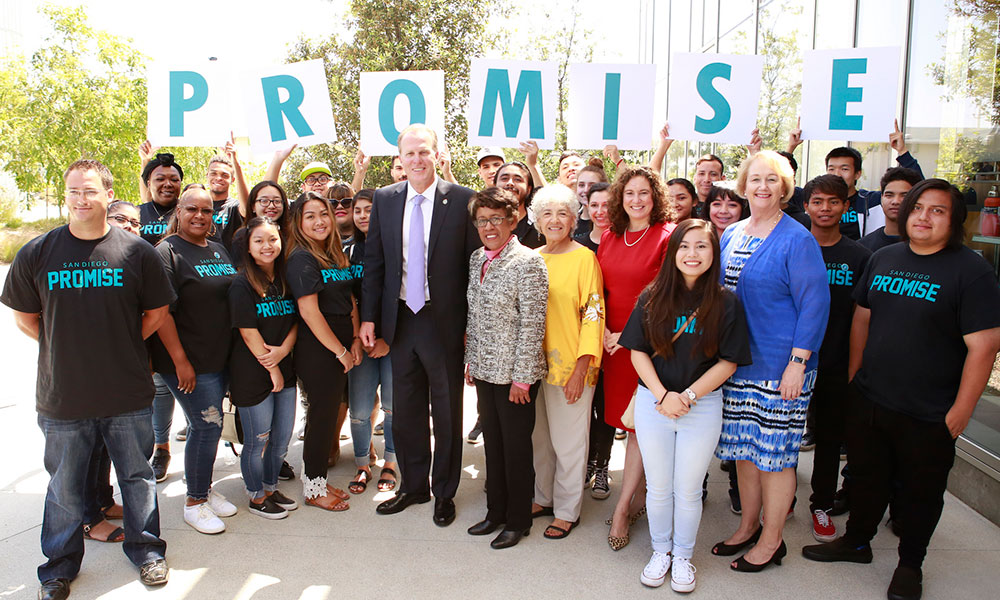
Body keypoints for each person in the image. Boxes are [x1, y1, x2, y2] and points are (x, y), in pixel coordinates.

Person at [803, 179, 1000, 600]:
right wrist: (856, 377)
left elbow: (984, 346)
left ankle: (911, 564)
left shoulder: (972, 271)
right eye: (918, 208)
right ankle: (857, 542)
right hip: (871, 398)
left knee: (920, 493)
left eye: (937, 211)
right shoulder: (885, 257)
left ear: (954, 220)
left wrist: (961, 412)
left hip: (930, 410)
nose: (924, 217)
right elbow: (862, 318)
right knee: (866, 479)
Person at [2, 159, 174, 598]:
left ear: (107, 194)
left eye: (90, 191)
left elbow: (156, 313)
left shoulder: (137, 253)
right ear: (67, 195)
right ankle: (58, 567)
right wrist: (65, 345)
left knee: (137, 477)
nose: (81, 199)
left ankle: (147, 551)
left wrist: (118, 342)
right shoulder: (38, 252)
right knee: (64, 487)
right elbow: (25, 316)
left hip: (128, 392)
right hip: (64, 395)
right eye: (74, 191)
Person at [711, 150, 829, 572]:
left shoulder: (797, 239)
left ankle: (773, 539)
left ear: (785, 187)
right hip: (739, 365)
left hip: (782, 370)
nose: (763, 187)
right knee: (744, 452)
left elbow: (815, 303)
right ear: (743, 185)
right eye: (756, 179)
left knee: (775, 458)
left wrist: (798, 362)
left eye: (772, 180)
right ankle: (747, 527)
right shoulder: (732, 233)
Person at [621, 219, 751, 592]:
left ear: (714, 253)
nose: (692, 254)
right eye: (684, 246)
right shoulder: (652, 296)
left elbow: (729, 361)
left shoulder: (726, 302)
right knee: (660, 487)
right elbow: (637, 352)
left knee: (689, 488)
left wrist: (688, 397)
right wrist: (663, 395)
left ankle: (682, 557)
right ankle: (660, 551)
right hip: (654, 404)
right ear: (673, 252)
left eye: (702, 247)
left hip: (702, 407)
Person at [361, 123, 479, 527]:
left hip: (443, 321)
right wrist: (369, 319)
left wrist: (471, 327)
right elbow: (375, 263)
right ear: (400, 158)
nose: (416, 160)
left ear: (436, 154)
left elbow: (472, 269)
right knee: (406, 410)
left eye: (423, 152)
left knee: (446, 411)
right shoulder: (385, 198)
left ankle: (444, 491)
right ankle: (414, 486)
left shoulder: (462, 200)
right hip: (400, 319)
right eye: (409, 154)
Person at [150, 186, 239, 535]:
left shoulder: (217, 249)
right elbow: (162, 314)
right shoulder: (166, 253)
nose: (200, 216)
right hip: (187, 362)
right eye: (192, 209)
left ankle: (204, 488)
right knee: (205, 426)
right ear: (179, 212)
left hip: (218, 356)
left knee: (212, 429)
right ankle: (194, 503)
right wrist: (180, 360)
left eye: (206, 210)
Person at [464, 187, 549, 549]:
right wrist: (471, 361)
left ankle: (517, 521)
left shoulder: (528, 261)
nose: (489, 226)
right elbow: (475, 314)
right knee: (493, 447)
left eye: (497, 218)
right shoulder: (475, 259)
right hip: (484, 370)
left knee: (516, 450)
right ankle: (495, 512)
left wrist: (523, 379)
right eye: (482, 220)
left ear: (513, 220)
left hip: (516, 376)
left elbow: (533, 324)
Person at [598, 166, 676, 551]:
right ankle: (640, 493)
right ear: (620, 197)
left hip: (646, 346)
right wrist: (603, 334)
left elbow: (664, 295)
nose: (636, 200)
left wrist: (627, 337)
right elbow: (600, 292)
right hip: (610, 345)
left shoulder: (666, 237)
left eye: (644, 192)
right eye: (629, 193)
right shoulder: (610, 237)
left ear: (655, 196)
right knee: (627, 425)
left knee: (639, 428)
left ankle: (623, 507)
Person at [529, 185, 605, 540]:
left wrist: (582, 368)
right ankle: (543, 497)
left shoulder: (584, 258)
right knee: (540, 438)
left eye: (562, 213)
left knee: (569, 441)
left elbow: (594, 314)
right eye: (547, 213)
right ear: (537, 220)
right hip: (532, 366)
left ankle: (566, 509)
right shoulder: (532, 257)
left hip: (571, 366)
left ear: (574, 219)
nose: (555, 220)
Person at [801, 174, 871, 543]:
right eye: (817, 201)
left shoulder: (859, 257)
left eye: (833, 202)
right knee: (783, 435)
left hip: (836, 363)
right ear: (807, 205)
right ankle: (769, 501)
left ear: (846, 206)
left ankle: (821, 505)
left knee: (829, 439)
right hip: (791, 364)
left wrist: (853, 369)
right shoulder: (794, 246)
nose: (825, 209)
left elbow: (864, 315)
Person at [286, 192, 361, 511]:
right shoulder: (301, 257)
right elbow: (309, 312)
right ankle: (313, 488)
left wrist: (356, 339)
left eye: (324, 214)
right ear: (299, 223)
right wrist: (341, 351)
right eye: (310, 216)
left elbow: (350, 300)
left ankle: (318, 479)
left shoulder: (336, 254)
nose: (319, 221)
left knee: (329, 414)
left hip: (343, 346)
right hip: (319, 351)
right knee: (321, 416)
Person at [79, 200, 144, 546]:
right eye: (122, 219)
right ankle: (88, 518)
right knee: (87, 449)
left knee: (105, 447)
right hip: (84, 374)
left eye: (136, 222)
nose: (130, 227)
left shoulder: (132, 259)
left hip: (121, 371)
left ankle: (103, 500)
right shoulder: (86, 256)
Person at [228, 217, 300, 519]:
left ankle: (270, 487)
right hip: (252, 373)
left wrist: (283, 351)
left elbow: (296, 319)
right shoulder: (241, 283)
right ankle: (256, 496)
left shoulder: (285, 279)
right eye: (258, 240)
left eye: (272, 239)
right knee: (258, 440)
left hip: (285, 366)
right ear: (248, 246)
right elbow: (247, 331)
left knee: (282, 438)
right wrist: (272, 367)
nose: (266, 246)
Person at [345, 188, 399, 493]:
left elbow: (405, 299)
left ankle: (390, 462)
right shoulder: (346, 251)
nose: (364, 215)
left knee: (392, 408)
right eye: (358, 210)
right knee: (360, 410)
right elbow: (345, 299)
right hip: (359, 344)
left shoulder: (397, 249)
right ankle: (363, 464)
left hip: (391, 342)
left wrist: (387, 340)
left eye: (370, 209)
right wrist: (358, 338)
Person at [818, 120, 923, 240]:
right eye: (831, 169)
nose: (837, 175)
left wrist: (902, 151)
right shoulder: (814, 199)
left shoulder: (872, 201)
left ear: (858, 174)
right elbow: (790, 192)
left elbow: (920, 189)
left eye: (844, 169)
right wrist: (791, 148)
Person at [859, 167, 922, 253]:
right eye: (889, 195)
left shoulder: (927, 245)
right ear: (881, 198)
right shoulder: (863, 247)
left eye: (904, 196)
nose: (895, 201)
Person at [495, 161, 542, 250]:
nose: (510, 183)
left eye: (517, 179)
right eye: (504, 178)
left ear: (529, 189)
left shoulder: (540, 226)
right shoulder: (483, 224)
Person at [138, 152, 182, 246]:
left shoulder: (190, 213)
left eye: (174, 180)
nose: (168, 184)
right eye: (160, 179)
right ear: (149, 184)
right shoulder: (136, 214)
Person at [574, 160, 609, 237]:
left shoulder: (611, 223)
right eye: (581, 185)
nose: (586, 190)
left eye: (592, 185)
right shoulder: (571, 222)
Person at [574, 182, 610, 254]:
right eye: (594, 205)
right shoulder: (576, 245)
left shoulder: (624, 243)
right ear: (588, 207)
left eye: (606, 205)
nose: (599, 212)